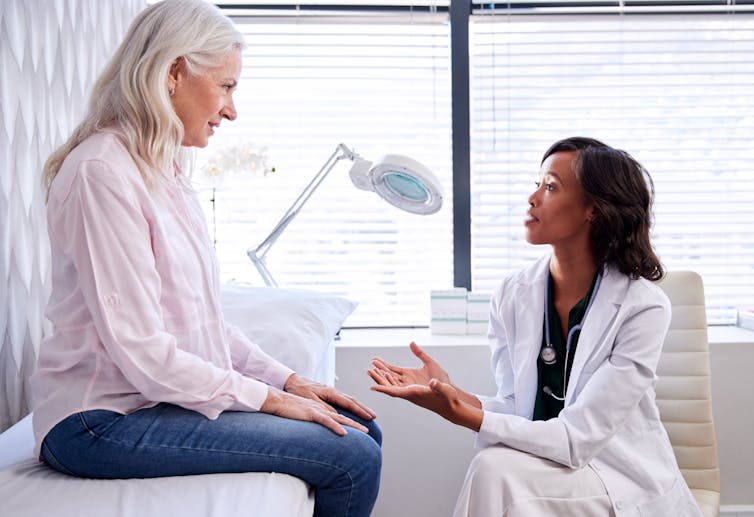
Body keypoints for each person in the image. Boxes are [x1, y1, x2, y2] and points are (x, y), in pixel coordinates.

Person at [30, 1, 381, 516]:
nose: (232, 110)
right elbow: (146, 352)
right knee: (351, 457)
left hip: (147, 403)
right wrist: (269, 401)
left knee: (360, 427)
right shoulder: (103, 172)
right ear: (173, 72)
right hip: (96, 422)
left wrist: (288, 381)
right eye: (226, 86)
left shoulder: (163, 173)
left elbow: (202, 323)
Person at [369, 137, 703, 516]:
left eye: (550, 187)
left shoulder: (642, 307)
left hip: (615, 477)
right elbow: (518, 407)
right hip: (547, 466)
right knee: (493, 468)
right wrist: (451, 394)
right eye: (537, 183)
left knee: (493, 469)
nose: (532, 198)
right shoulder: (513, 294)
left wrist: (461, 413)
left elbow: (578, 439)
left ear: (592, 209)